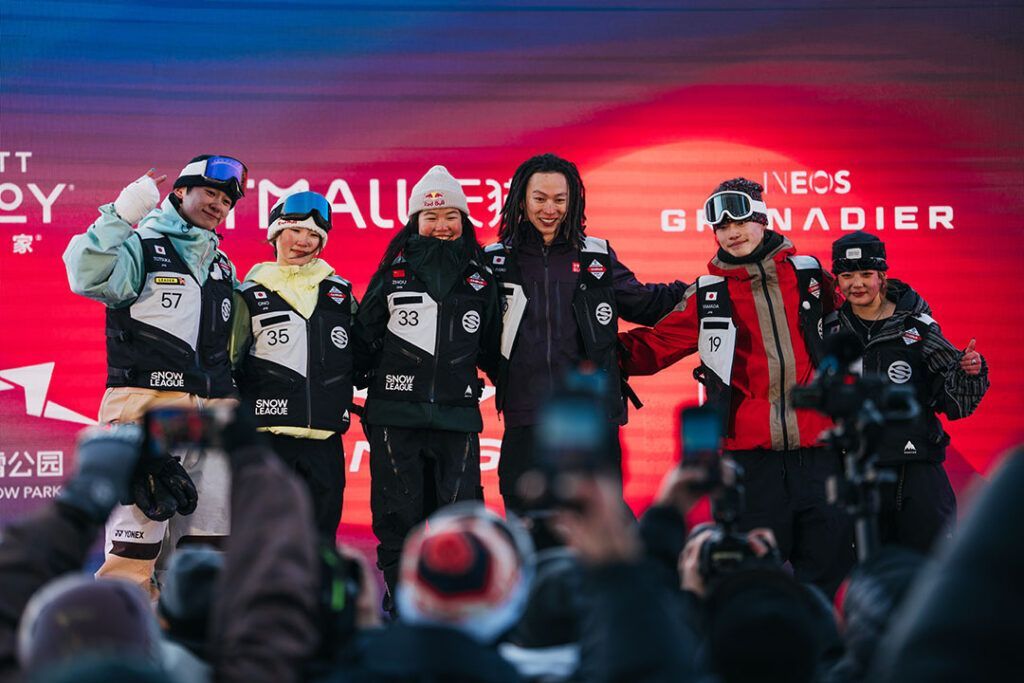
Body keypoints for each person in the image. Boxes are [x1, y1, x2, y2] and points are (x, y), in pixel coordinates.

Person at [619, 177, 853, 596]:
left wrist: (908, 313)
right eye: (722, 227)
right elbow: (653, 348)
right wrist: (578, 349)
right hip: (750, 462)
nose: (733, 232)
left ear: (761, 219)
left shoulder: (810, 276)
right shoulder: (710, 294)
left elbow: (863, 314)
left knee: (828, 579)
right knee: (750, 583)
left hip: (819, 455)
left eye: (741, 221)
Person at [62, 154, 248, 597]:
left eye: (226, 199)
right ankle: (122, 653)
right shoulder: (141, 244)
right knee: (133, 550)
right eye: (210, 193)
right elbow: (83, 272)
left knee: (206, 554)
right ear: (180, 191)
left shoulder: (223, 266)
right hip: (148, 413)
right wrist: (125, 211)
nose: (218, 205)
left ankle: (193, 652)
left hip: (213, 420)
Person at [485, 153, 687, 513]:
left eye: (560, 200)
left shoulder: (596, 256)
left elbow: (645, 303)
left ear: (573, 201)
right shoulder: (495, 260)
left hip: (591, 418)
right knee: (529, 527)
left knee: (600, 527)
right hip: (525, 415)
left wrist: (703, 290)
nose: (550, 209)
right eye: (540, 198)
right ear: (520, 198)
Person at [354, 165, 501, 609]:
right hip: (395, 418)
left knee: (459, 521)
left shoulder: (482, 277)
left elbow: (493, 347)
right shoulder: (393, 273)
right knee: (400, 521)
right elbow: (363, 337)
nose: (441, 226)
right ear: (414, 222)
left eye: (451, 216)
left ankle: (454, 606)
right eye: (431, 217)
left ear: (465, 221)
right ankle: (404, 606)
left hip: (457, 419)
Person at [824, 232, 988, 553]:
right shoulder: (829, 330)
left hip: (917, 471)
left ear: (882, 276)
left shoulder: (918, 326)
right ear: (837, 281)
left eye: (866, 274)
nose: (856, 283)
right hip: (854, 471)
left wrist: (969, 372)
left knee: (929, 571)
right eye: (847, 275)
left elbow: (953, 403)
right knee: (863, 577)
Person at [231, 190, 357, 538]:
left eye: (314, 235)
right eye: (295, 230)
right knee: (264, 540)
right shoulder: (249, 293)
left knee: (321, 545)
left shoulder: (341, 293)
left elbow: (362, 355)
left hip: (325, 440)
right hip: (269, 440)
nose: (303, 241)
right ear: (275, 234)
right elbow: (228, 366)